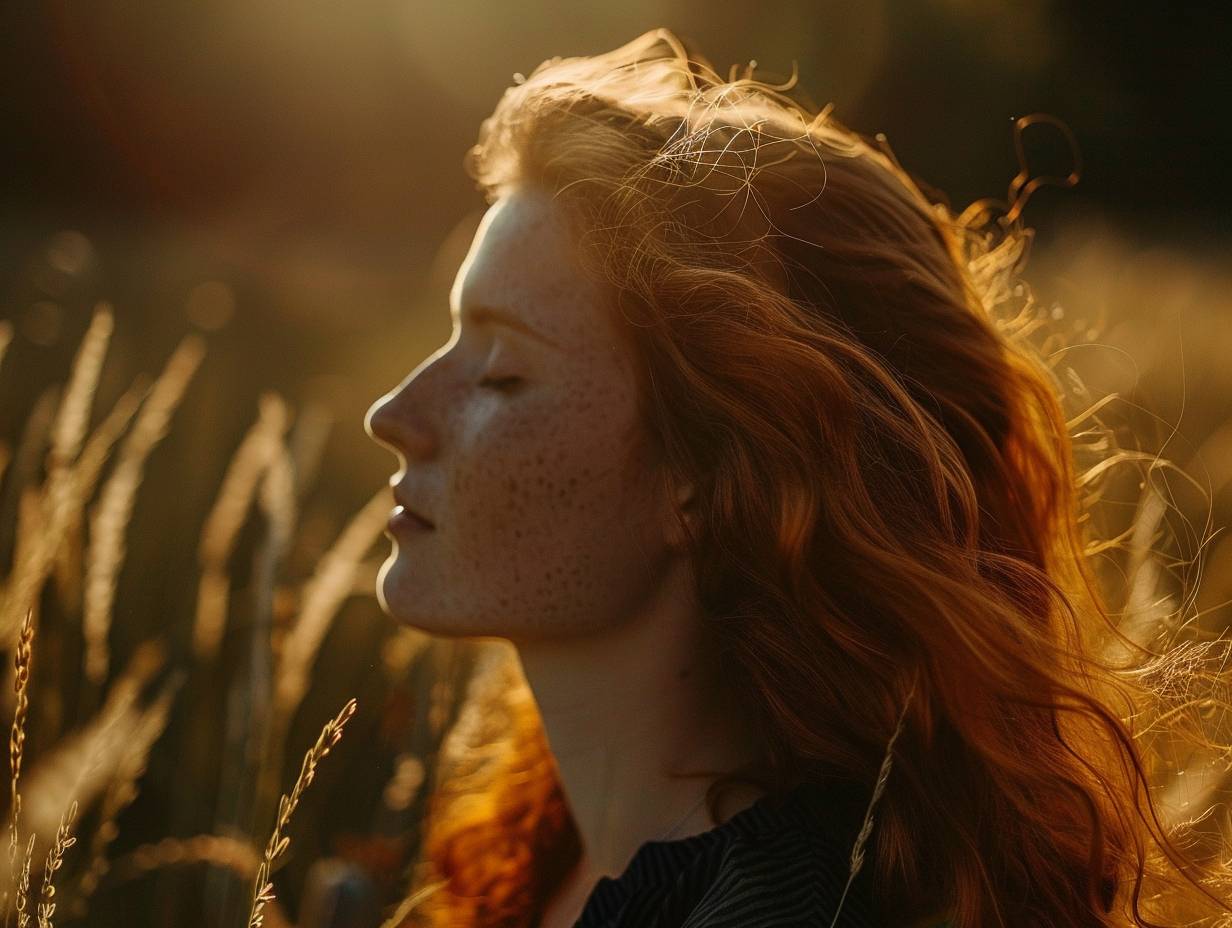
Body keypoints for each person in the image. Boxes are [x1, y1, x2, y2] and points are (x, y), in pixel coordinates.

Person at [364, 27, 1232, 928]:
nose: (392, 415)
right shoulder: (541, 852)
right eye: (451, 338)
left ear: (705, 473)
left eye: (502, 369)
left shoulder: (794, 909)